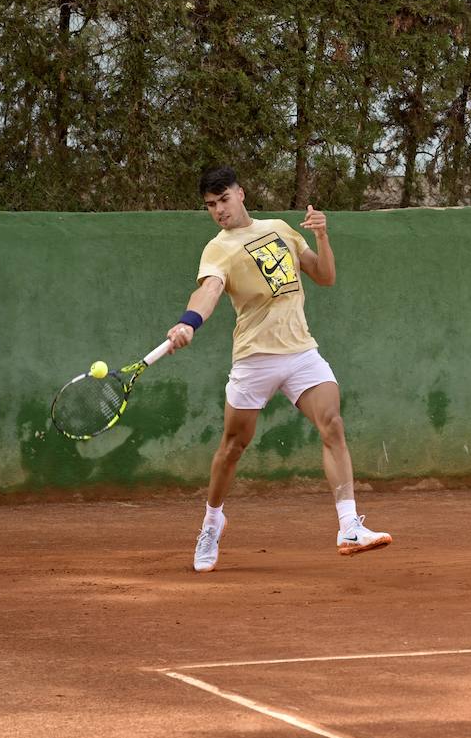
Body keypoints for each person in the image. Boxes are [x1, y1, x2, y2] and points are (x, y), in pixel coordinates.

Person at [167, 165, 392, 573]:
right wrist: (189, 321)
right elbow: (210, 290)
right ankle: (212, 522)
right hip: (254, 359)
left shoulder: (282, 229)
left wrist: (322, 236)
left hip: (301, 351)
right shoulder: (218, 248)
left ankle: (348, 527)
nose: (219, 210)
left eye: (224, 199)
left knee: (333, 424)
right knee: (232, 449)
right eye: (210, 205)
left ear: (241, 193)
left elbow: (324, 277)